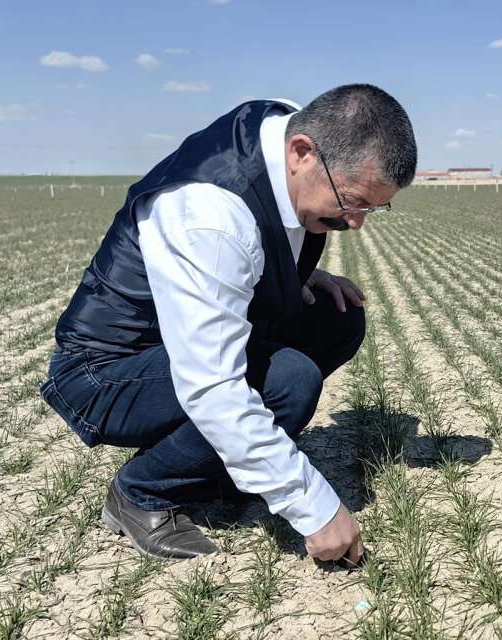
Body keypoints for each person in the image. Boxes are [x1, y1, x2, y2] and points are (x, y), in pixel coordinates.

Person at [38, 84, 417, 563]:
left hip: (176, 340)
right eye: (352, 201)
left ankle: (220, 464)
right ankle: (140, 493)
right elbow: (213, 386)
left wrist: (301, 275)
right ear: (301, 153)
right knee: (287, 382)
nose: (357, 222)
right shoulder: (211, 215)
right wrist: (314, 508)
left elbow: (259, 238)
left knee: (336, 319)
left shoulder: (288, 133)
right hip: (104, 370)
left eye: (372, 209)